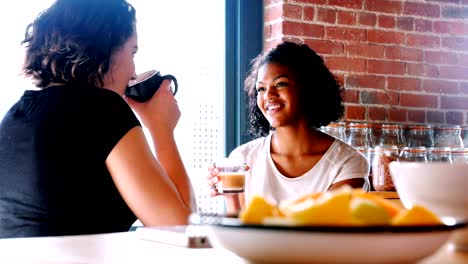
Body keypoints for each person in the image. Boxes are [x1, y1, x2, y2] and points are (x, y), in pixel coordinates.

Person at [0, 0, 194, 238]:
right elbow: (184, 232)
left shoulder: (14, 116)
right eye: (132, 52)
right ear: (105, 47)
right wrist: (161, 128)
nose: (134, 72)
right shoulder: (102, 109)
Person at [207, 42, 369, 214]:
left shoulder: (347, 163)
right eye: (261, 89)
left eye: (281, 84)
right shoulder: (243, 158)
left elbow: (322, 232)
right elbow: (239, 236)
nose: (268, 95)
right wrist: (231, 197)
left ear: (308, 88)